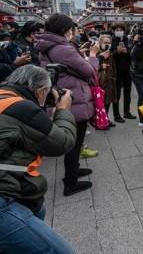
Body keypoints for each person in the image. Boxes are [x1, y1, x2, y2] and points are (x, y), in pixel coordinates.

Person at [0, 65, 76, 254]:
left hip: (16, 188)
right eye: (46, 93)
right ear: (41, 90)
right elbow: (62, 142)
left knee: (38, 209)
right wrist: (63, 110)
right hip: (3, 198)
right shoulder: (21, 108)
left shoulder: (4, 97)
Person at [36, 13, 99, 196]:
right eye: (73, 29)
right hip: (73, 98)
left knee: (74, 141)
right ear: (65, 30)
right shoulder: (63, 49)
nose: (74, 32)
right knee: (74, 141)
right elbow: (88, 70)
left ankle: (74, 170)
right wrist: (93, 56)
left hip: (64, 94)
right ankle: (70, 182)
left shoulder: (49, 46)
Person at [111, 24, 136, 123]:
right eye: (117, 29)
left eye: (121, 29)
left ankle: (127, 112)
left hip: (127, 71)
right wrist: (116, 52)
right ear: (114, 31)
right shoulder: (111, 41)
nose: (119, 31)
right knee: (117, 94)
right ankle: (116, 115)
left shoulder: (128, 40)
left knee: (127, 93)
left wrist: (127, 52)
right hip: (116, 72)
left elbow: (133, 55)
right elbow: (108, 55)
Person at [97, 34, 117, 128]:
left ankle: (106, 119)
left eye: (109, 43)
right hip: (100, 82)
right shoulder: (96, 53)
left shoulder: (110, 53)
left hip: (110, 81)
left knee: (108, 101)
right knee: (100, 103)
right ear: (100, 43)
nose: (107, 45)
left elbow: (113, 67)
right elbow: (90, 66)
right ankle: (99, 122)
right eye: (105, 43)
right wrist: (101, 66)